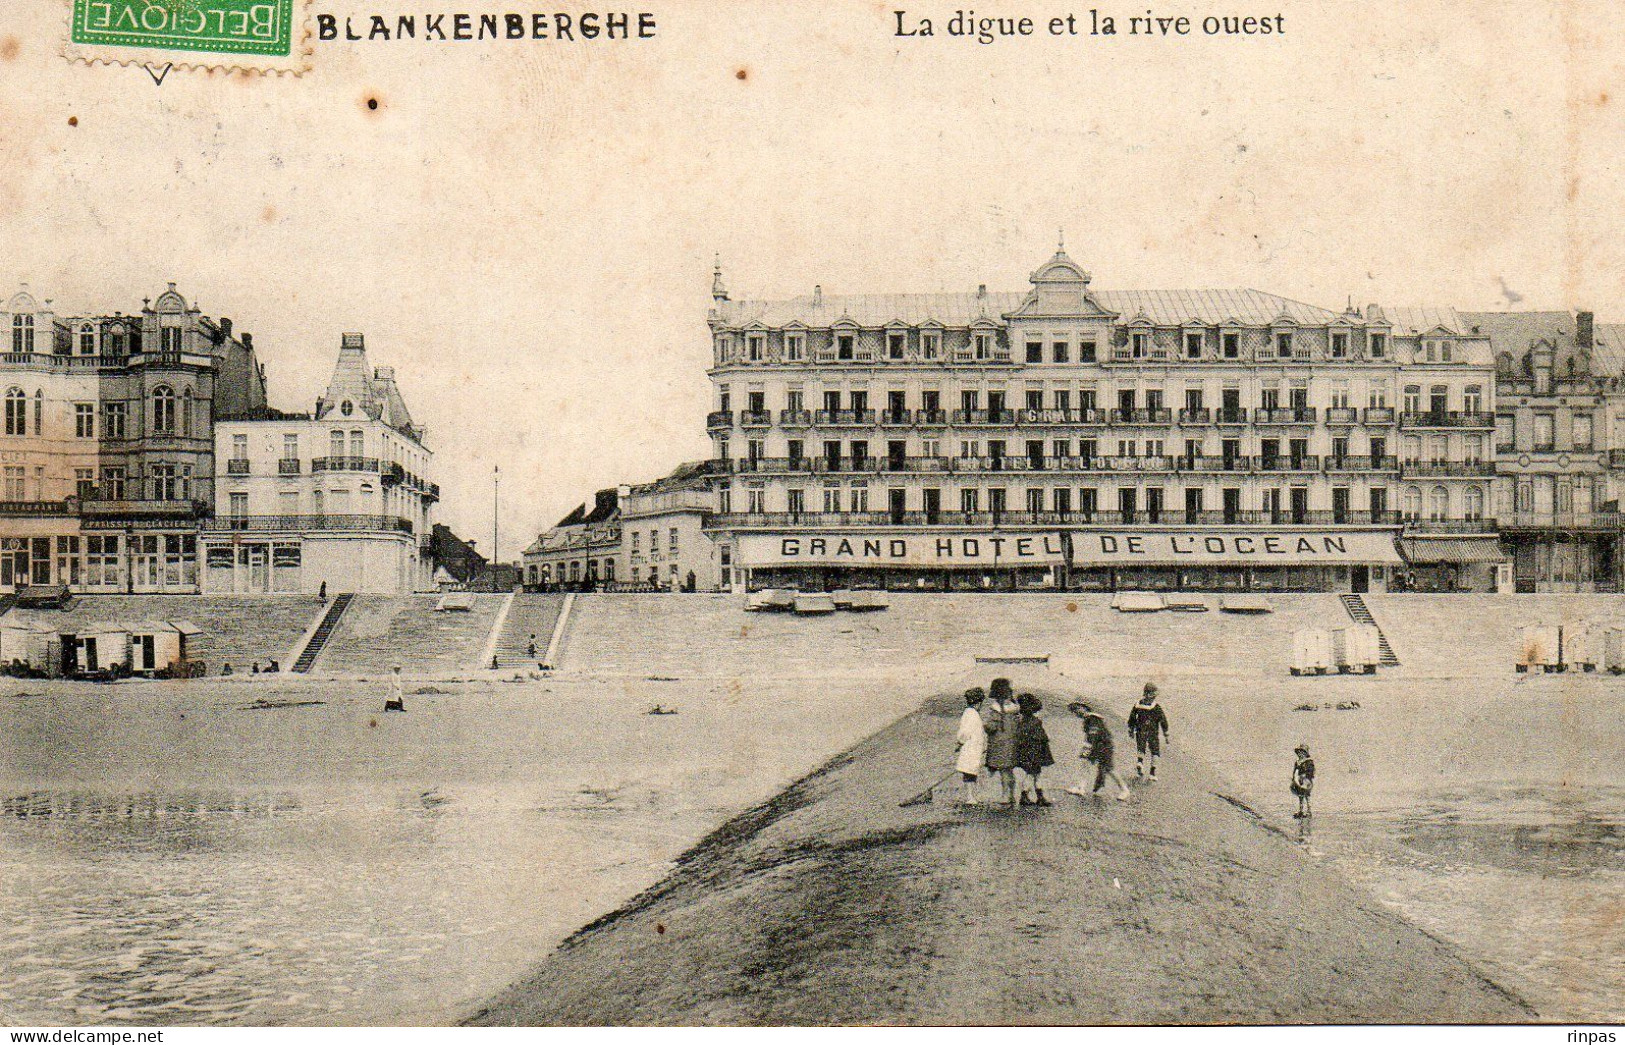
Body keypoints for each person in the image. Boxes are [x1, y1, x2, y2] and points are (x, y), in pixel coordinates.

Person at [983, 677, 1020, 806]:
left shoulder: (996, 710)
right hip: (1012, 744)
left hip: (1000, 745)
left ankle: (1005, 795)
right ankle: (1011, 795)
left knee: (1003, 771)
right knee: (1009, 771)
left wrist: (984, 726)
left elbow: (991, 727)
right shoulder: (1015, 708)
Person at [1013, 693, 1055, 806]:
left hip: (1026, 753)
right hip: (1035, 753)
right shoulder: (1035, 722)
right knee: (1034, 775)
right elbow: (1042, 738)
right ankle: (1035, 797)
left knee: (1031, 774)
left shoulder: (1022, 723)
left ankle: (1029, 797)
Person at [1126, 682, 1170, 781]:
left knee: (1141, 748)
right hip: (1152, 732)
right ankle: (1152, 773)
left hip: (1140, 730)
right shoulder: (1156, 707)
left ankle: (1140, 763)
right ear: (1152, 695)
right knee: (1155, 751)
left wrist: (1131, 730)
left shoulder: (1137, 705)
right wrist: (1166, 734)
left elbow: (1131, 718)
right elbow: (1163, 721)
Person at [954, 687, 988, 806]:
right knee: (969, 772)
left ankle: (971, 796)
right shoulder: (970, 714)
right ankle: (970, 797)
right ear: (978, 703)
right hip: (970, 748)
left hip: (973, 747)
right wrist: (960, 742)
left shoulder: (971, 713)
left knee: (971, 771)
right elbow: (965, 732)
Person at [1291, 744, 1316, 818]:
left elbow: (1311, 771)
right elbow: (1295, 771)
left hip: (1306, 781)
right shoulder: (1297, 762)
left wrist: (1305, 775)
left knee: (1307, 796)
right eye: (1298, 752)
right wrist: (1294, 778)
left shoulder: (1309, 762)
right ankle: (1301, 810)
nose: (1300, 754)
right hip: (1298, 781)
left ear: (1305, 753)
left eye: (1301, 752)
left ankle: (1309, 811)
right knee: (1300, 796)